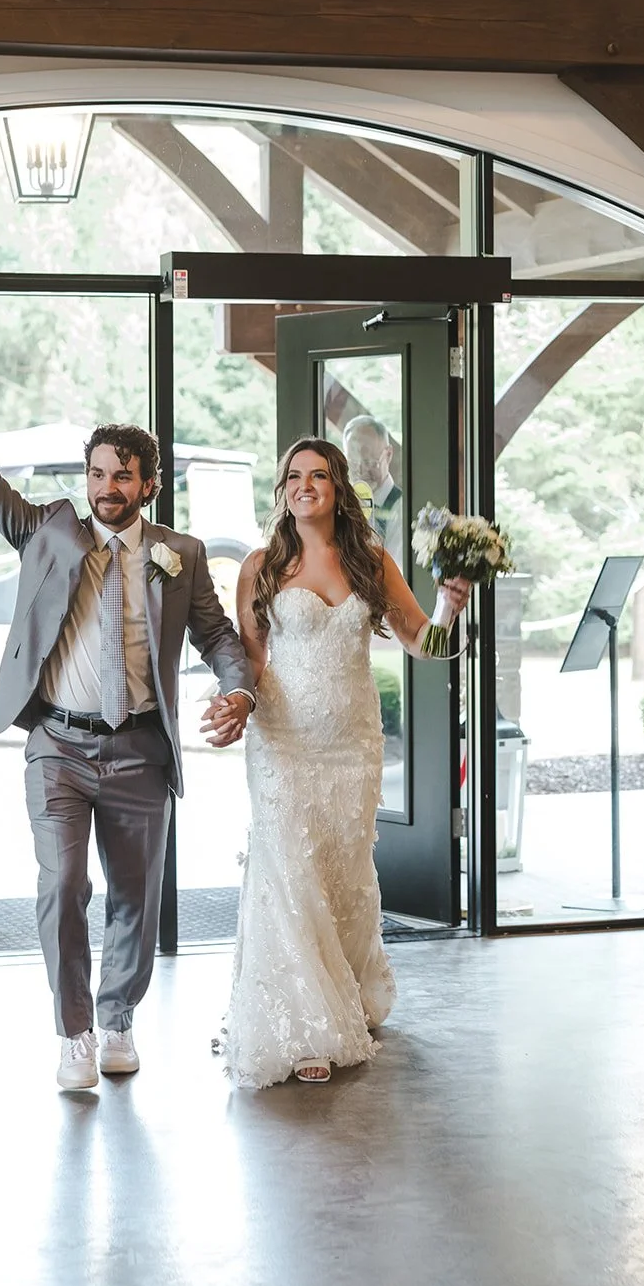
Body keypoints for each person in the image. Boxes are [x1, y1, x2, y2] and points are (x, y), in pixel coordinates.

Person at [0, 337, 254, 1092]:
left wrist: (237, 690)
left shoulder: (181, 553)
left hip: (141, 749)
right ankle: (73, 1032)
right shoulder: (49, 530)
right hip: (58, 746)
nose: (106, 487)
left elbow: (215, 636)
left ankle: (117, 1020)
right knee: (62, 884)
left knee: (135, 900)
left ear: (148, 484)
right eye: (96, 474)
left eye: (121, 476)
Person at [222, 438, 469, 1088]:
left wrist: (450, 605)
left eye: (319, 475)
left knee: (343, 872)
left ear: (337, 488)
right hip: (283, 744)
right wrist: (235, 703)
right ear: (282, 490)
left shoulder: (370, 560)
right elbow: (248, 659)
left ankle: (348, 997)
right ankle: (303, 1024)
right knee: (290, 874)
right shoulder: (259, 566)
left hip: (353, 745)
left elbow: (425, 643)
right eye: (294, 476)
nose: (306, 485)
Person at [343, 414, 403, 563]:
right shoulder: (341, 505)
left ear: (388, 455)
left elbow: (396, 568)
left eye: (369, 462)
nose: (362, 471)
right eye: (353, 463)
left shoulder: (401, 507)